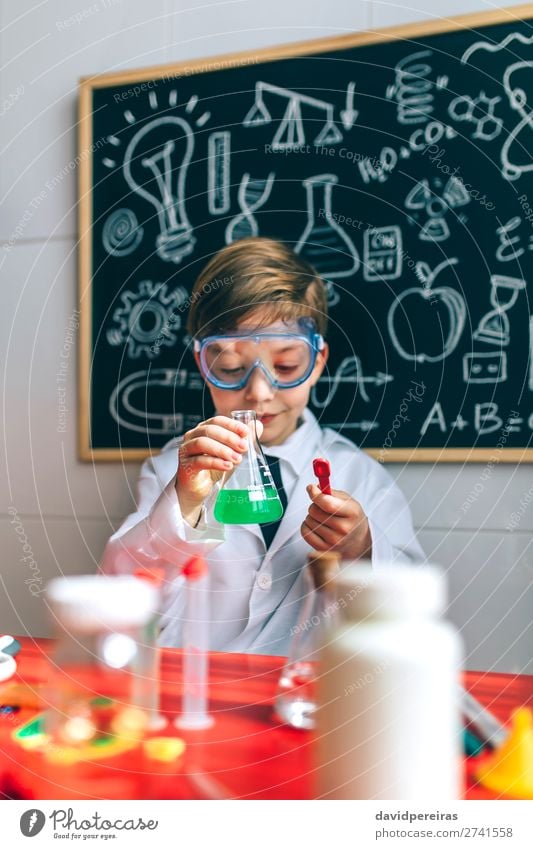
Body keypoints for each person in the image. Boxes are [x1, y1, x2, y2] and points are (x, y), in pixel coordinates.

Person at [100, 237, 424, 654]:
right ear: (204, 365)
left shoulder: (359, 476)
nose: (258, 392)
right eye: (231, 368)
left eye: (287, 366)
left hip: (313, 700)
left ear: (317, 363)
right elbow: (123, 604)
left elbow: (410, 610)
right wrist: (183, 506)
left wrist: (362, 550)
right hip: (198, 692)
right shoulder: (171, 473)